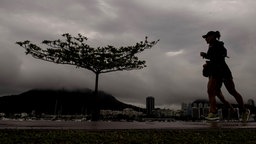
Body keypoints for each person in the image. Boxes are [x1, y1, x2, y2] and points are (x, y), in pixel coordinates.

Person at [200, 31, 250, 121]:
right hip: (215, 71)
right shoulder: (211, 46)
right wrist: (206, 56)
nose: (205, 39)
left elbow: (220, 56)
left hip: (223, 71)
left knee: (232, 91)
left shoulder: (219, 45)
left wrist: (208, 59)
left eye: (206, 37)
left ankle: (244, 110)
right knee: (211, 91)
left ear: (212, 36)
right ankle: (213, 113)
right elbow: (213, 57)